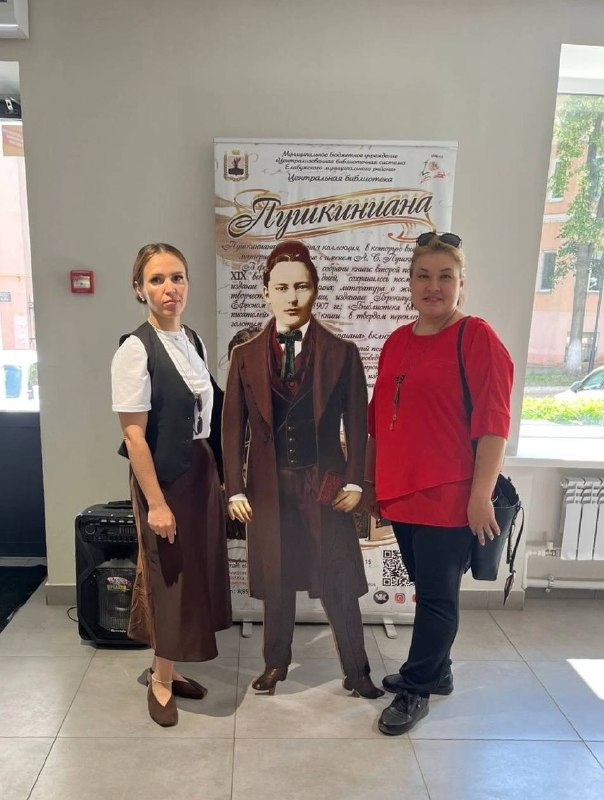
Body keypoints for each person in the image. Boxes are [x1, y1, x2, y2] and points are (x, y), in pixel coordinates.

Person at [222, 239, 384, 699]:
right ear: (265, 293)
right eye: (282, 288)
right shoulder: (244, 356)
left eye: (302, 287)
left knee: (338, 578)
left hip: (324, 484)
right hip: (268, 487)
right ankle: (275, 663)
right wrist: (235, 488)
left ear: (315, 290)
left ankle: (357, 671)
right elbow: (231, 427)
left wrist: (357, 481)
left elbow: (357, 423)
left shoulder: (343, 352)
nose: (292, 298)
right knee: (277, 579)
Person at [367, 231, 513, 735]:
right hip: (401, 492)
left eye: (445, 276)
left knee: (435, 597)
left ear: (461, 283)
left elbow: (493, 424)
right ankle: (439, 671)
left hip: (449, 495)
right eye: (424, 276)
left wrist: (480, 497)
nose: (434, 286)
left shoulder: (475, 337)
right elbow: (378, 419)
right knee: (427, 588)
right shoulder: (396, 341)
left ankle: (417, 687)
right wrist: (375, 486)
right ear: (410, 283)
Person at [111, 243, 231, 727]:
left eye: (177, 277)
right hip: (164, 478)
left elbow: (207, 412)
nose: (169, 288)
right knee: (170, 576)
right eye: (157, 279)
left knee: (193, 571)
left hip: (199, 470)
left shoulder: (193, 340)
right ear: (139, 289)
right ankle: (160, 679)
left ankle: (169, 666)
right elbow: (134, 435)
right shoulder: (135, 349)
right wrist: (156, 504)